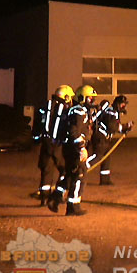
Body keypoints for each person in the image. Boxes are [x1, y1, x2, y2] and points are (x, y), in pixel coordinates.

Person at [47, 85, 97, 216]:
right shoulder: (78, 111)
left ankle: (56, 197)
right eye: (90, 99)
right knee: (80, 175)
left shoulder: (79, 110)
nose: (92, 102)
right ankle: (73, 206)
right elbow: (74, 131)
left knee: (71, 175)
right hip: (74, 148)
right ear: (82, 98)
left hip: (70, 148)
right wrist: (81, 148)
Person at [30, 85, 74, 205]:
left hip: (45, 143)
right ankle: (58, 195)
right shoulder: (66, 109)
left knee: (46, 170)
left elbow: (37, 126)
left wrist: (36, 140)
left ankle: (44, 198)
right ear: (65, 96)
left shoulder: (45, 107)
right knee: (65, 169)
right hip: (58, 144)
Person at [91, 95, 133, 185]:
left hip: (105, 138)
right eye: (122, 105)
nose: (124, 107)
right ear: (117, 104)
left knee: (106, 158)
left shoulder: (114, 112)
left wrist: (125, 128)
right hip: (100, 138)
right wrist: (125, 127)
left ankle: (105, 180)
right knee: (97, 156)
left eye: (124, 105)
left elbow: (115, 127)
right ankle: (81, 170)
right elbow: (112, 126)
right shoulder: (111, 112)